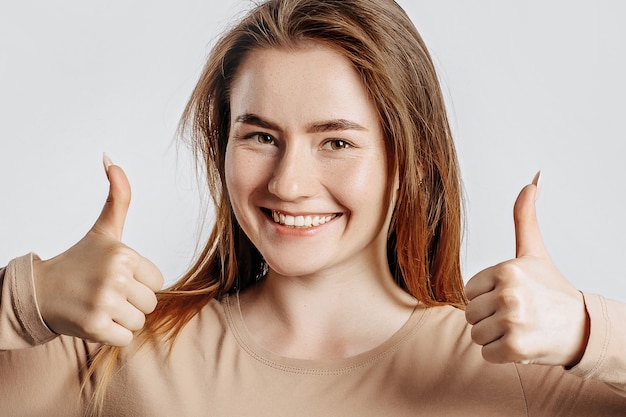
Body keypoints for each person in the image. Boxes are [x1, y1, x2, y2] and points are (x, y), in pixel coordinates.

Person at [1, 0, 625, 416]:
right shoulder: (114, 350)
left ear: (408, 158)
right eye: (261, 137)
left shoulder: (507, 370)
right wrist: (26, 300)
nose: (290, 182)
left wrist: (590, 332)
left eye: (336, 141)